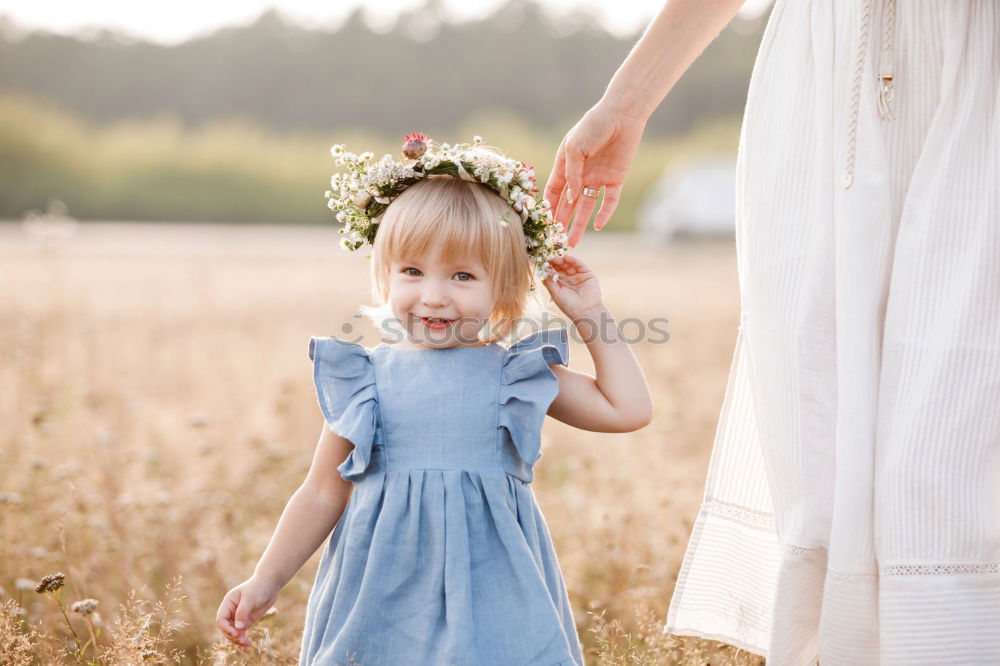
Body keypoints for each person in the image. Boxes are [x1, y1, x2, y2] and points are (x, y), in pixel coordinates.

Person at [545, 0, 999, 663]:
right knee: (817, 443)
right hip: (822, 78)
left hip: (978, 62)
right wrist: (626, 103)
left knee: (949, 443)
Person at [215, 135, 653, 664]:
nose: (434, 295)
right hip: (381, 590)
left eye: (463, 275)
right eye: (412, 272)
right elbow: (321, 494)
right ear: (385, 273)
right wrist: (267, 579)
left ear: (506, 287)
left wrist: (590, 314)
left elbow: (627, 410)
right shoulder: (366, 379)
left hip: (494, 591)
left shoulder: (515, 374)